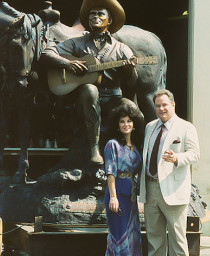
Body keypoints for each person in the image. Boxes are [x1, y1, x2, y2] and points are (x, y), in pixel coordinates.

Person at [40, 0, 141, 165]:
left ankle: (139, 153)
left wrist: (130, 69)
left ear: (110, 20)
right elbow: (47, 53)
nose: (95, 16)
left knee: (136, 111)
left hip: (114, 99)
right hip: (84, 100)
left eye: (101, 13)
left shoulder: (121, 48)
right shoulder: (77, 42)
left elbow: (131, 84)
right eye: (92, 14)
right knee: (90, 89)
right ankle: (94, 149)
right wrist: (68, 64)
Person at [139, 89, 200, 256]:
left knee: (177, 237)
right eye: (158, 105)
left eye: (165, 105)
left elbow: (194, 153)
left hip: (174, 189)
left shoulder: (185, 127)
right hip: (151, 187)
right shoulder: (150, 127)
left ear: (173, 105)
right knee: (154, 236)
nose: (161, 109)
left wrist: (177, 159)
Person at [104, 103, 143, 256]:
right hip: (117, 190)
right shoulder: (112, 145)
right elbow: (110, 173)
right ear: (117, 124)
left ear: (134, 124)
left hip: (131, 194)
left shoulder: (135, 147)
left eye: (129, 121)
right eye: (122, 121)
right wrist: (113, 197)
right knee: (116, 235)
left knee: (126, 236)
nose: (126, 124)